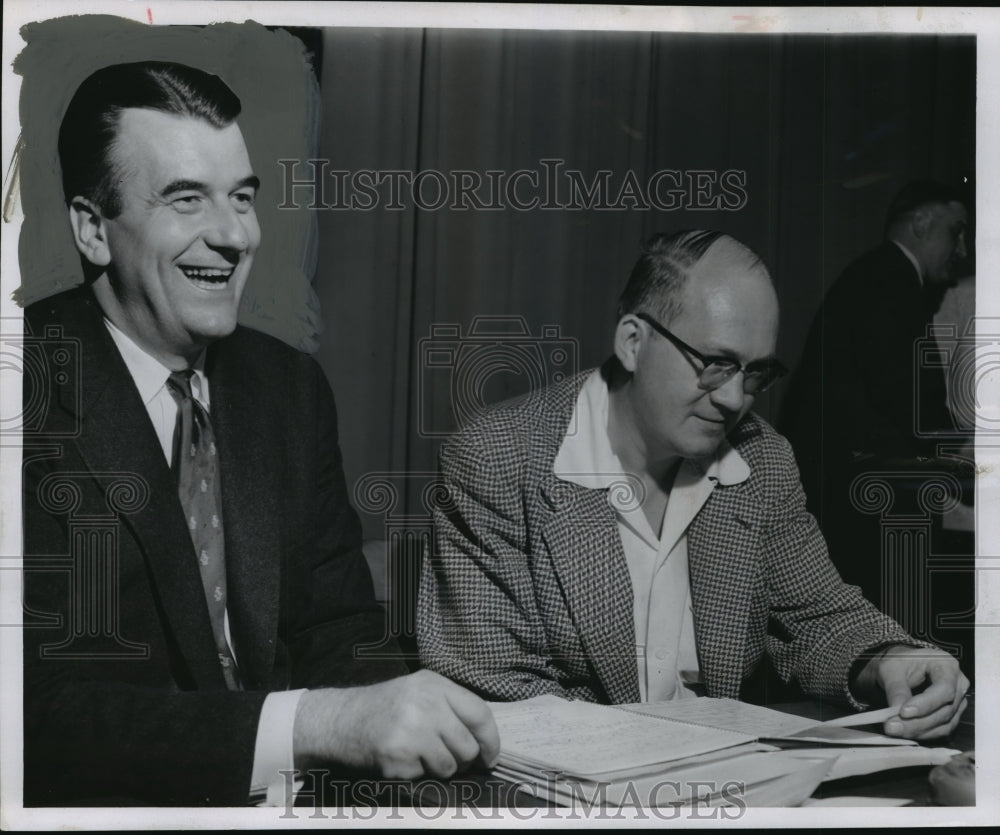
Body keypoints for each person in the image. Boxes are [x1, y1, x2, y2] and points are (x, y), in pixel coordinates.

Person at [21, 61, 498, 807]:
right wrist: (315, 722)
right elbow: (33, 718)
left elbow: (340, 626)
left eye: (243, 198)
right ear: (92, 228)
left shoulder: (288, 388)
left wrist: (414, 724)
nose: (235, 235)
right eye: (187, 200)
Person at [418, 230, 969, 741]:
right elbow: (495, 686)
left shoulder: (764, 460)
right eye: (715, 364)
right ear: (633, 342)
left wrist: (890, 657)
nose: (734, 399)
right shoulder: (498, 458)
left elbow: (817, 617)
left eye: (756, 374)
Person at [780, 181, 974, 636]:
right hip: (863, 503)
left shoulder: (878, 276)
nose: (961, 248)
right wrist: (962, 456)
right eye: (956, 231)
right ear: (921, 223)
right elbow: (906, 399)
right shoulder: (890, 281)